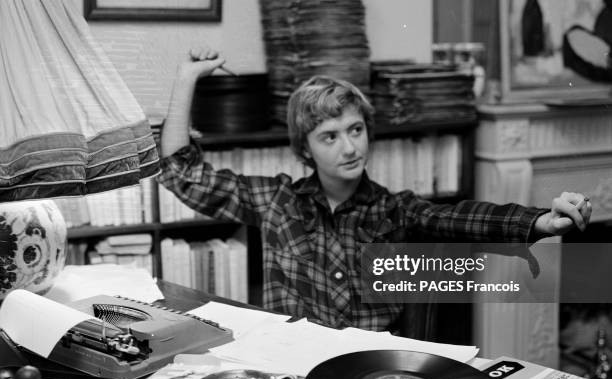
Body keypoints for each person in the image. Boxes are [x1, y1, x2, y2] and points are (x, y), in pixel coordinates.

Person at [159, 46, 592, 332]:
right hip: (292, 367)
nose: (350, 147)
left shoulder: (395, 209)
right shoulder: (277, 201)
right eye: (330, 136)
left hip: (371, 373)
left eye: (356, 129)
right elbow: (183, 174)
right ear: (304, 149)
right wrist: (187, 78)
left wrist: (540, 221)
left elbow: (459, 215)